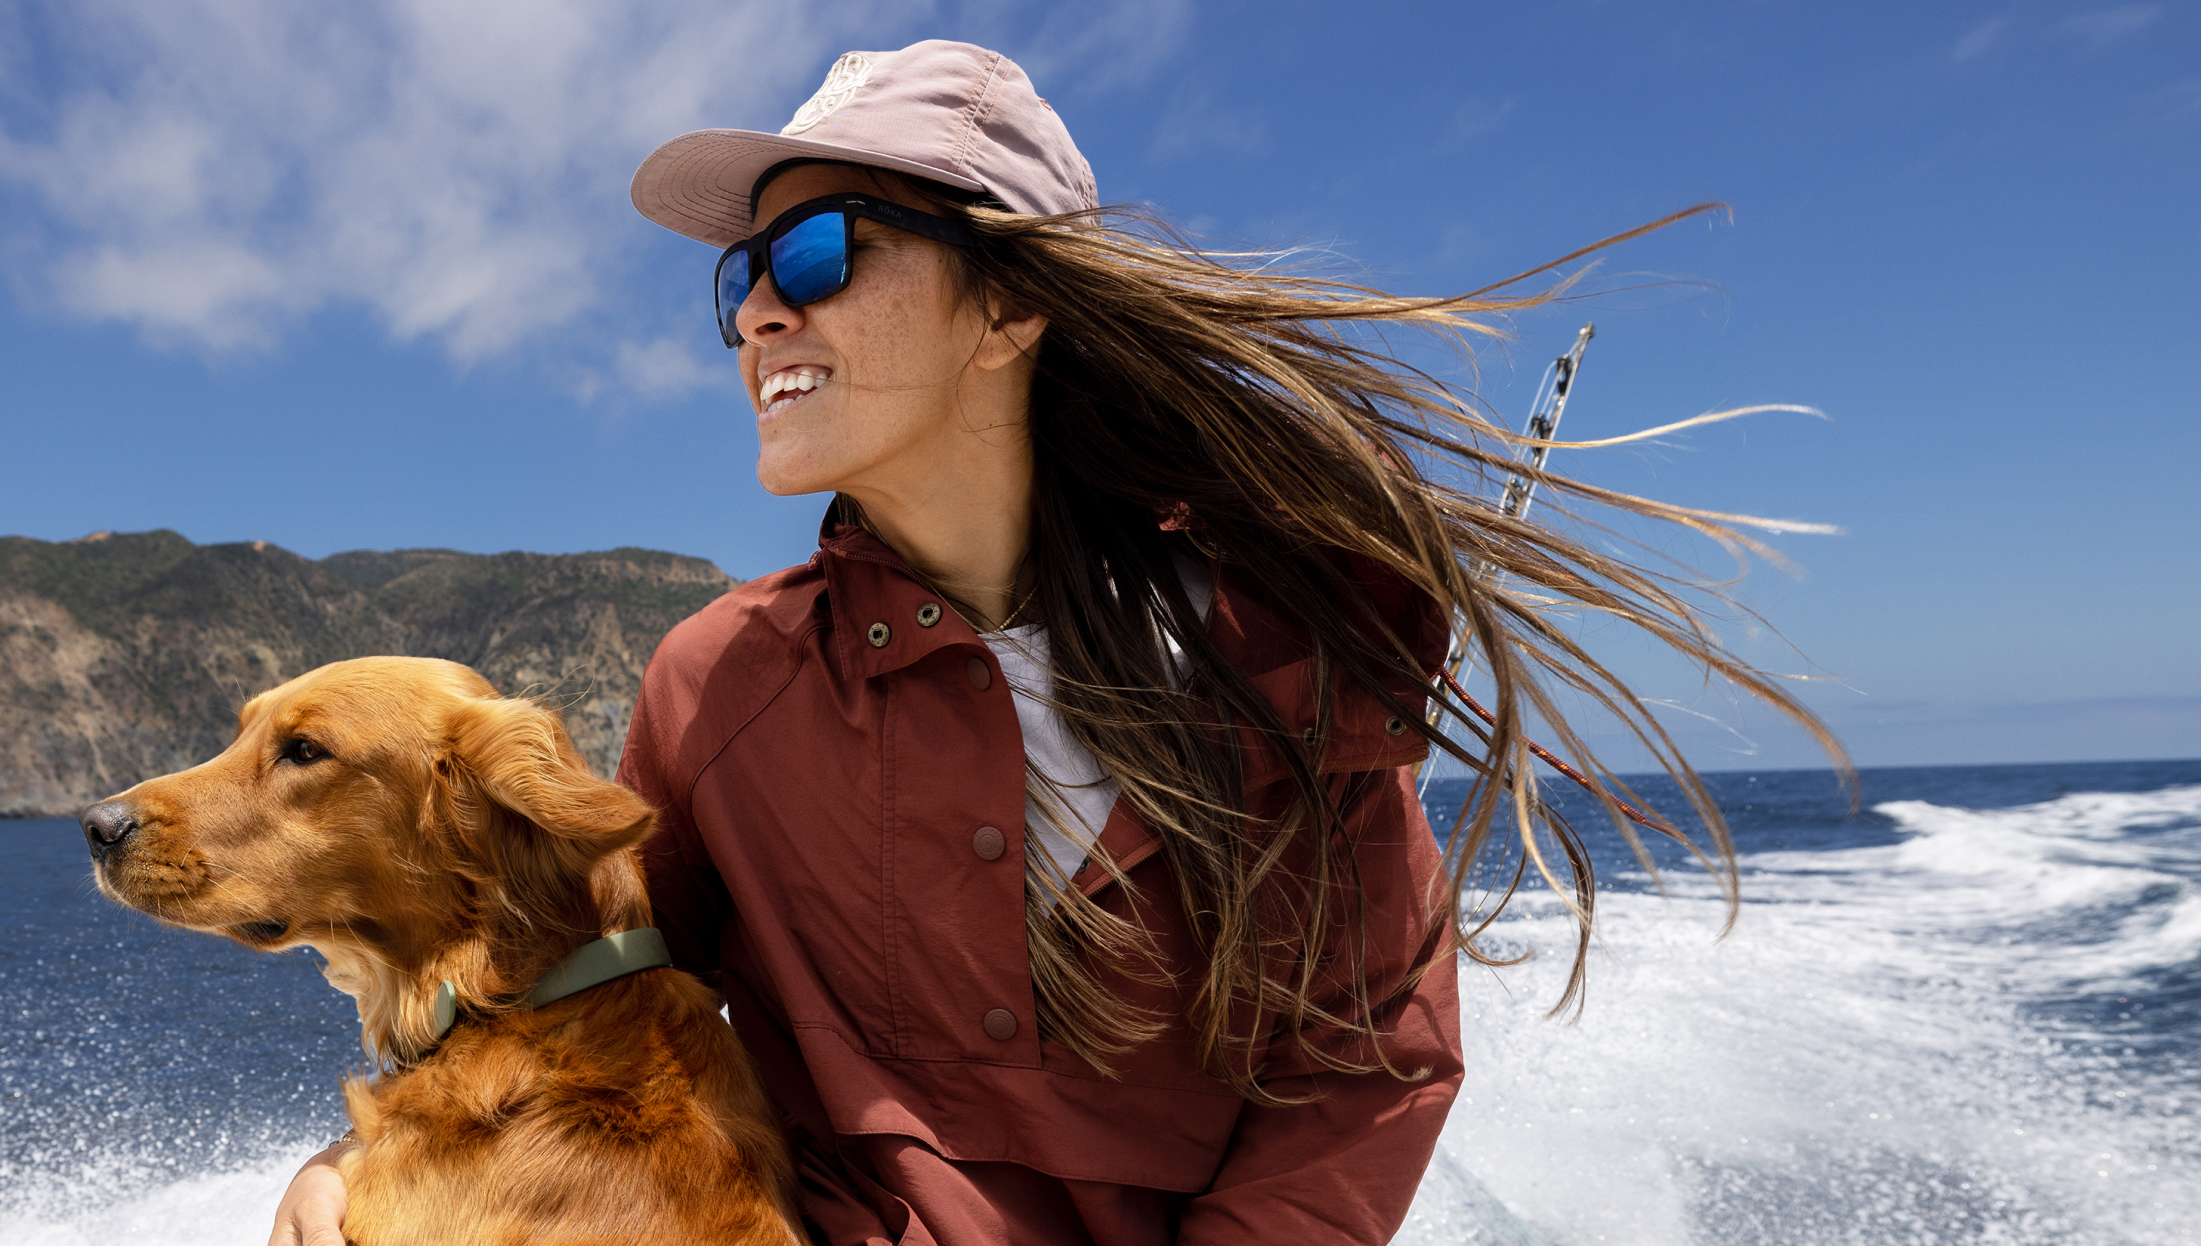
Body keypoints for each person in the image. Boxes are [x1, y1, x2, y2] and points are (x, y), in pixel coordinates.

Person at [271, 39, 1839, 1246]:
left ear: (1013, 311)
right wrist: (366, 1161)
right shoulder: (715, 688)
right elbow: (574, 991)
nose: (759, 312)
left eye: (819, 257)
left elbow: (1372, 1072)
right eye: (741, 277)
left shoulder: (1281, 664)